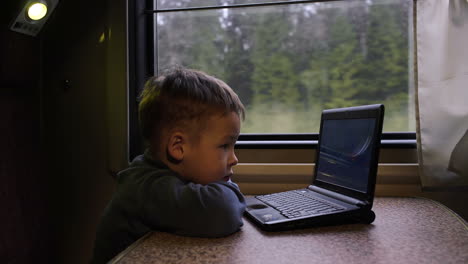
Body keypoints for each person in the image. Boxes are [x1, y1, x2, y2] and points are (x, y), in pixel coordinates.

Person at [91, 67, 246, 263]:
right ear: (178, 147)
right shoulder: (147, 190)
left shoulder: (164, 178)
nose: (234, 159)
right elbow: (223, 212)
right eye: (224, 146)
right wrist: (231, 192)